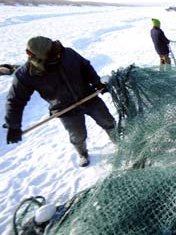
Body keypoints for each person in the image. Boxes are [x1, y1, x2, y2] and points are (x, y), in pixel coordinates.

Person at [4, 36, 116, 167]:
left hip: (89, 98)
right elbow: (15, 100)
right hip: (64, 109)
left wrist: (97, 83)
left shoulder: (68, 53)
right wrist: (13, 125)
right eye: (52, 55)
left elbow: (85, 66)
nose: (57, 56)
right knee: (78, 136)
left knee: (108, 122)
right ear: (36, 56)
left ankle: (119, 142)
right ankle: (82, 153)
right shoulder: (26, 74)